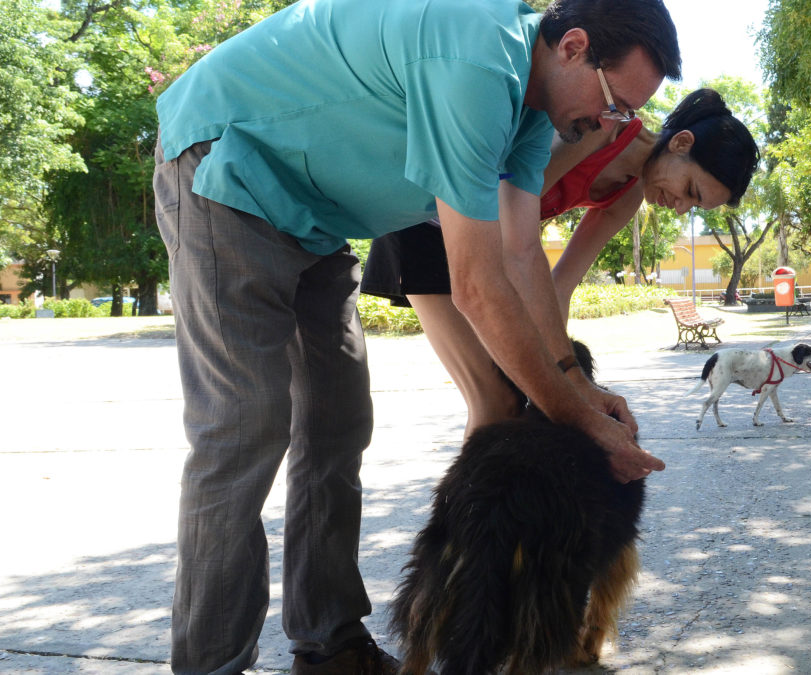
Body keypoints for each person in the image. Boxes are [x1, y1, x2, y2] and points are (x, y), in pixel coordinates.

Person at [151, 0, 681, 671]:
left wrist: (581, 388)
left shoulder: (529, 111)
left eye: (628, 116)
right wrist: (572, 417)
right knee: (246, 423)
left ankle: (328, 638)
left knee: (337, 421)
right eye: (616, 103)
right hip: (227, 168)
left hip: (315, 217)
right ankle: (210, 661)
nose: (613, 126)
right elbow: (478, 286)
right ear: (572, 46)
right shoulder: (476, 58)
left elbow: (522, 258)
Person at [362, 88, 758, 438]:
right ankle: (466, 522)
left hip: (483, 241)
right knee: (495, 400)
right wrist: (564, 374)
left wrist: (562, 371)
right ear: (681, 143)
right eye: (690, 189)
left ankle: (484, 518)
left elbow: (559, 286)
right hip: (425, 222)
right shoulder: (601, 127)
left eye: (694, 205)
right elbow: (510, 213)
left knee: (512, 400)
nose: (680, 206)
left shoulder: (626, 198)